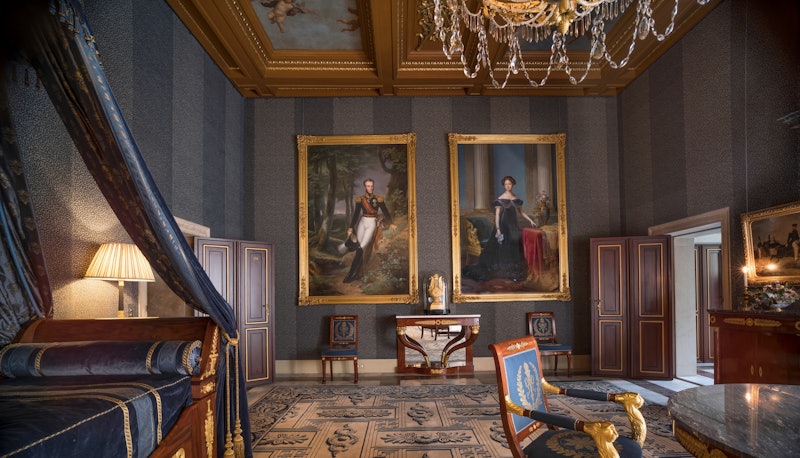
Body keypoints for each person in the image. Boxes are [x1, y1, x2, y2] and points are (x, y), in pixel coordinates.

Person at [466, 176, 536, 282]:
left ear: (513, 185)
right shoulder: (501, 198)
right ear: (504, 185)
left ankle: (513, 272)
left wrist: (530, 220)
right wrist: (498, 229)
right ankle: (505, 272)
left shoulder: (516, 198)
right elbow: (498, 215)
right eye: (506, 184)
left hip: (513, 225)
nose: (508, 186)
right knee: (504, 247)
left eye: (509, 184)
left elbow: (521, 212)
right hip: (503, 225)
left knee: (514, 247)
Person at [342, 178, 395, 283]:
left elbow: (385, 211)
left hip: (372, 223)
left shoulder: (379, 199)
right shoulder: (360, 199)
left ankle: (352, 274)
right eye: (368, 186)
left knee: (361, 248)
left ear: (373, 186)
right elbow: (356, 214)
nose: (370, 188)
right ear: (365, 187)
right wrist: (351, 228)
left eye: (371, 186)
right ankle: (357, 273)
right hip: (362, 222)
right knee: (359, 246)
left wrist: (391, 223)